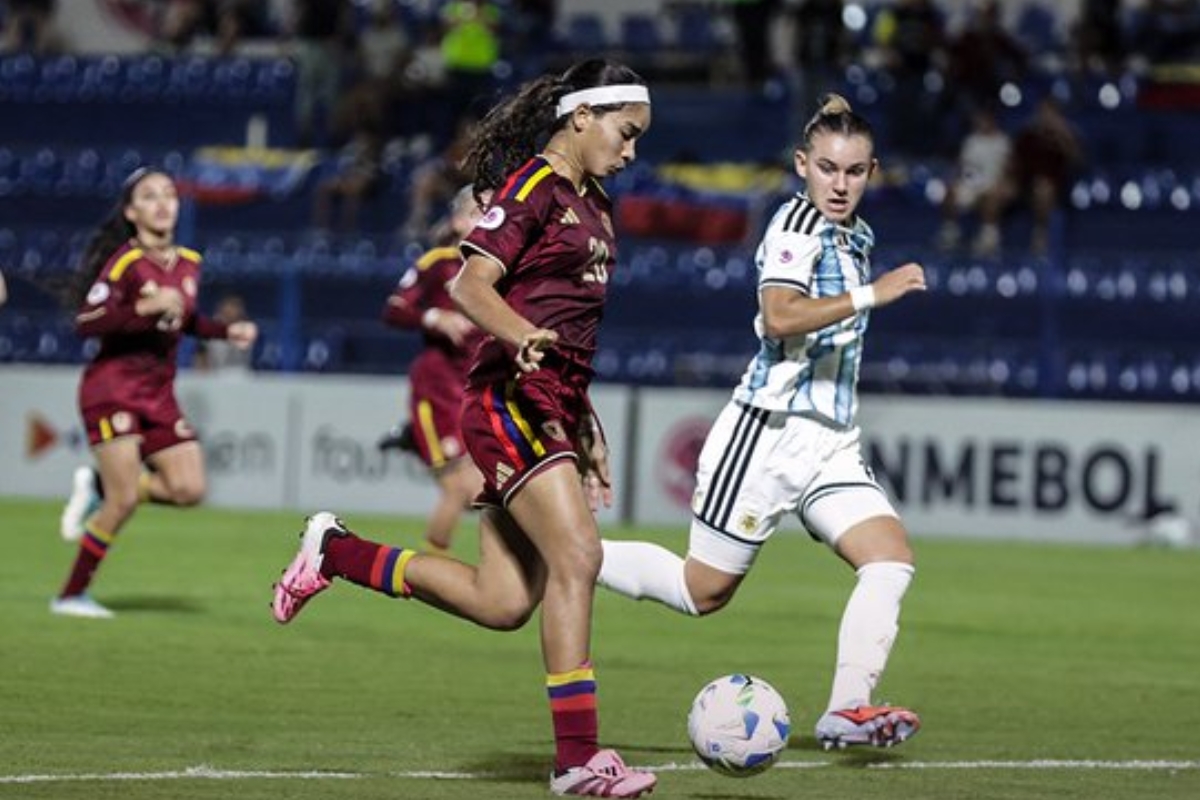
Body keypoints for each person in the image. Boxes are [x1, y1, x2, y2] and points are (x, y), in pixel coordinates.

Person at [271, 58, 657, 798]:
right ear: (582, 117)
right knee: (579, 558)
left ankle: (336, 552)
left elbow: (570, 329)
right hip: (508, 401)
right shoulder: (533, 189)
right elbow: (468, 284)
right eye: (626, 131)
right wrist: (520, 336)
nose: (632, 149)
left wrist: (587, 424)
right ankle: (577, 761)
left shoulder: (596, 201)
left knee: (503, 602)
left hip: (551, 408)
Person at [597, 94, 927, 751]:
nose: (840, 183)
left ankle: (845, 710)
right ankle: (570, 551)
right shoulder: (795, 227)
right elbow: (779, 316)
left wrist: (835, 104)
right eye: (827, 168)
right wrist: (871, 293)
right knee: (702, 592)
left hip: (831, 442)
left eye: (854, 171)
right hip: (768, 435)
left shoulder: (856, 234)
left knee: (889, 561)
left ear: (872, 172)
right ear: (802, 165)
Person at [54, 168, 258, 619]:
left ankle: (99, 484)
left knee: (189, 488)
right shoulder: (125, 262)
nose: (163, 202)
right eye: (149, 196)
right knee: (123, 501)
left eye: (169, 194)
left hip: (159, 392)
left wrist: (226, 331)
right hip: (112, 389)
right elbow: (86, 322)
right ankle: (70, 595)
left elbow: (185, 319)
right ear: (131, 212)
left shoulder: (189, 261)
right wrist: (142, 307)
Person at [378, 185, 488, 553]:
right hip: (438, 388)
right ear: (458, 221)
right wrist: (434, 316)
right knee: (461, 490)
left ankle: (434, 570)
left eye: (492, 215)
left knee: (483, 493)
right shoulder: (438, 263)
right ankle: (429, 570)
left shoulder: (501, 270)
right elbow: (394, 309)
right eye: (477, 214)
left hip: (478, 389)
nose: (486, 222)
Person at [974, 96, 1084, 256]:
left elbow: (1078, 162)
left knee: (1043, 189)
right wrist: (1007, 180)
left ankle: (1041, 234)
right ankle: (989, 236)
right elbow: (1013, 163)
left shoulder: (1067, 137)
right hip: (1023, 184)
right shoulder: (1027, 136)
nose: (1046, 117)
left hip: (1053, 188)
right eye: (1043, 112)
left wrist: (1063, 136)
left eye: (1050, 113)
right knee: (998, 192)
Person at [935, 104, 1012, 253]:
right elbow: (961, 165)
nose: (979, 121)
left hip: (992, 185)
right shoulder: (971, 141)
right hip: (970, 185)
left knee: (991, 197)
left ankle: (988, 237)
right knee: (950, 191)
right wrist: (954, 180)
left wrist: (1003, 184)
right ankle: (950, 233)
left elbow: (1009, 168)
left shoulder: (1003, 142)